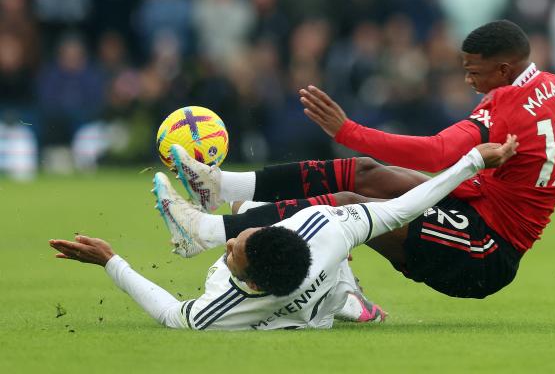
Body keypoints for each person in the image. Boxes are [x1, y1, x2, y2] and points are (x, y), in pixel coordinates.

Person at [170, 20, 555, 299]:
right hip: (469, 208)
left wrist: (349, 132)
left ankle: (208, 232)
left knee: (348, 202)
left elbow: (439, 152)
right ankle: (223, 187)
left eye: (473, 70)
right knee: (368, 175)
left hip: (485, 253)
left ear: (503, 70)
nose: (466, 78)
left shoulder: (506, 106)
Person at [49, 139, 517, 330]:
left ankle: (206, 225)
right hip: (324, 283)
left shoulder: (223, 310)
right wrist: (472, 161)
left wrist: (112, 262)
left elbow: (172, 313)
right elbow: (400, 212)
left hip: (309, 296)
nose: (235, 245)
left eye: (231, 249)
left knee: (250, 210)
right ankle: (347, 298)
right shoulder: (325, 232)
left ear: (248, 282)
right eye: (236, 241)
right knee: (352, 201)